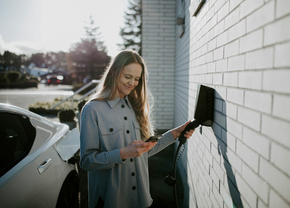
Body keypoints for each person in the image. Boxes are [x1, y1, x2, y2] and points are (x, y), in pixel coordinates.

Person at [79, 49, 194, 208]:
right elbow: (86, 161)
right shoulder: (92, 109)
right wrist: (123, 153)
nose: (132, 83)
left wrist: (174, 134)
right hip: (109, 201)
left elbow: (143, 152)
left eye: (137, 79)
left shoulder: (136, 106)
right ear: (114, 72)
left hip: (141, 200)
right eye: (127, 77)